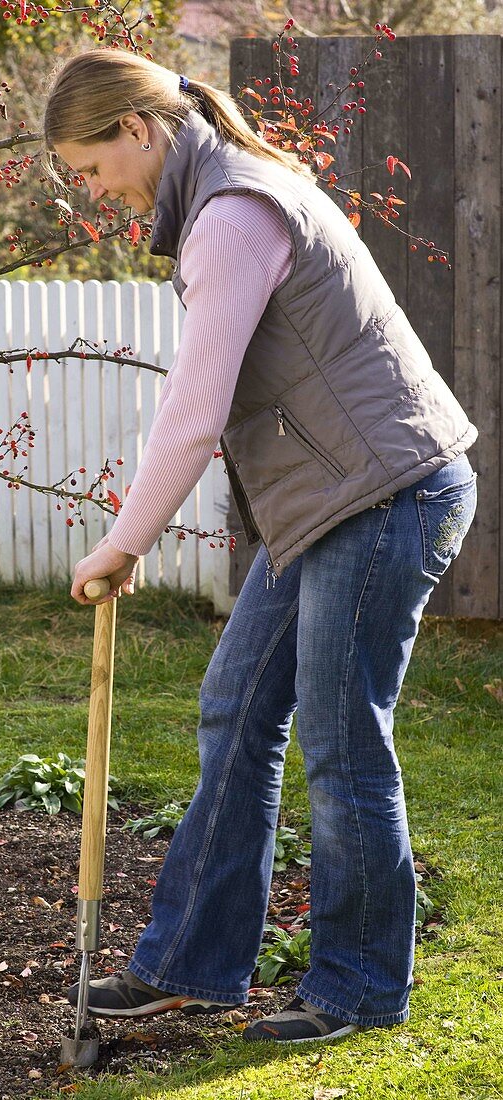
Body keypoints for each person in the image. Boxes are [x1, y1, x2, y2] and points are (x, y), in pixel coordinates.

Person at [42, 49, 478, 1044]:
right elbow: (201, 398)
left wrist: (119, 541)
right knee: (235, 707)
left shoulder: (233, 215)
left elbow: (193, 416)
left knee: (338, 738)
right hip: (335, 500)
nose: (91, 188)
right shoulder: (224, 201)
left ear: (137, 130)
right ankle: (191, 961)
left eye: (88, 164)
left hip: (385, 494)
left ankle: (358, 987)